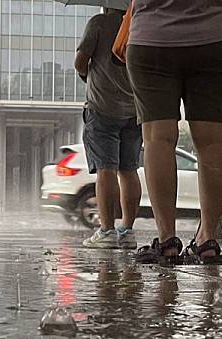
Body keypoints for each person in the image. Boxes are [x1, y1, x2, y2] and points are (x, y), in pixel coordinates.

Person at [127, 1, 222, 263]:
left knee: (158, 138)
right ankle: (208, 240)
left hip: (151, 39)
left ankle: (167, 241)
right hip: (212, 38)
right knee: (213, 143)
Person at [74, 7, 142, 249]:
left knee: (106, 170)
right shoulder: (140, 22)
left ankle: (107, 231)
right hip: (134, 110)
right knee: (129, 170)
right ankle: (127, 231)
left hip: (102, 108)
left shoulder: (99, 23)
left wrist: (89, 75)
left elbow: (80, 62)